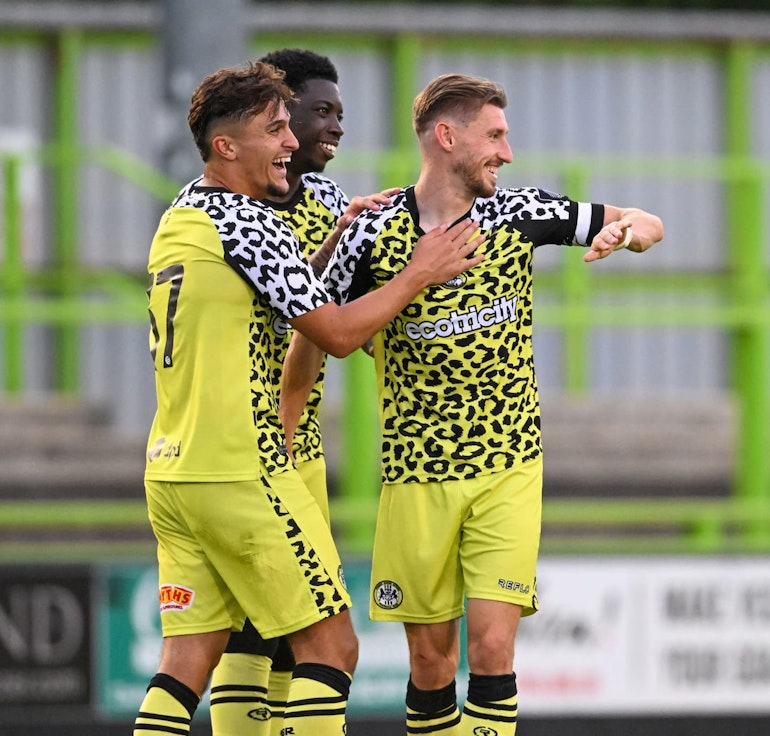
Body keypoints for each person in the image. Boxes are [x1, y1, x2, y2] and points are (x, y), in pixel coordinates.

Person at [280, 73, 664, 736]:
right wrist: (286, 431)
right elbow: (315, 336)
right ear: (446, 136)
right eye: (494, 136)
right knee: (431, 664)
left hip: (508, 466)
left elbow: (648, 220)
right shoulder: (372, 234)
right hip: (415, 477)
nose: (507, 154)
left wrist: (623, 234)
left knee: (491, 649)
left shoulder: (518, 214)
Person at [133, 62, 485, 736]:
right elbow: (339, 333)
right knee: (330, 649)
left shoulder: (185, 212)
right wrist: (420, 271)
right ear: (226, 147)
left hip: (173, 468)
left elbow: (266, 294)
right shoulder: (252, 224)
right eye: (275, 129)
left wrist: (330, 245)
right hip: (242, 466)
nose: (292, 142)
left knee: (186, 661)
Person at [208, 48, 395, 736]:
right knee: (257, 627)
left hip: (303, 447)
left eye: (340, 114)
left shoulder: (331, 203)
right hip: (249, 447)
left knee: (296, 627)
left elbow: (354, 313)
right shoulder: (238, 207)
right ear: (277, 117)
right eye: (321, 112)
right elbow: (310, 317)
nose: (334, 127)